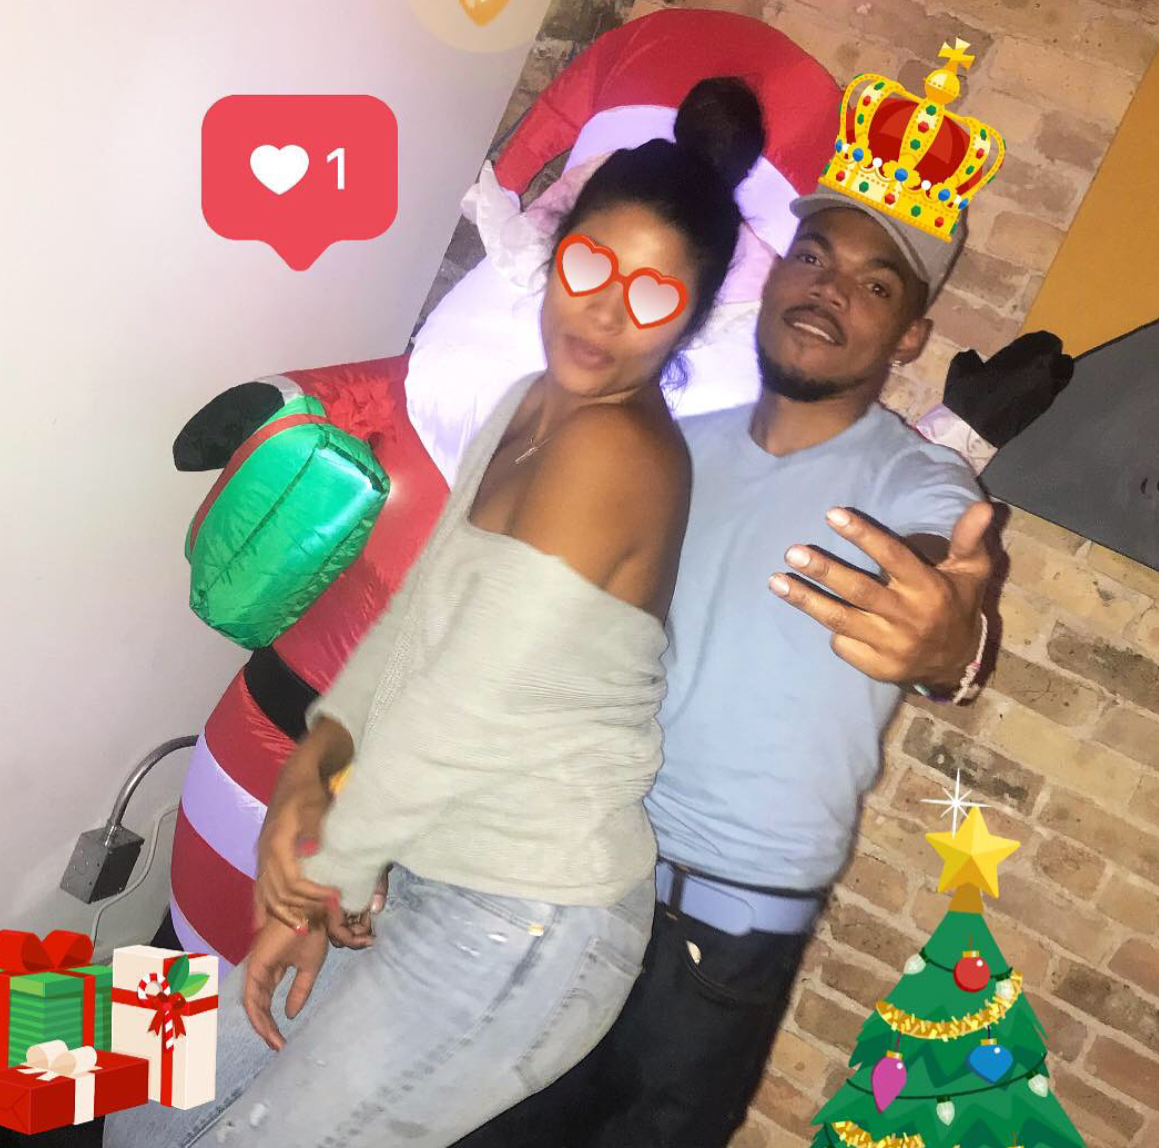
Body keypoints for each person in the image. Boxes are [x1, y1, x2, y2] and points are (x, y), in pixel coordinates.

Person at [103, 77, 767, 1148]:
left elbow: (467, 702)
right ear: (555, 250)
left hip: (522, 919)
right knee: (148, 1105)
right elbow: (417, 617)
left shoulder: (620, 453)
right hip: (416, 861)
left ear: (690, 315)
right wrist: (317, 755)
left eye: (651, 295)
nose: (603, 311)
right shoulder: (529, 406)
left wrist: (327, 871)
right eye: (589, 265)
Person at [441, 186, 996, 1146]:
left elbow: (943, 581)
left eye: (875, 285)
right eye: (814, 257)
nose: (830, 290)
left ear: (910, 337)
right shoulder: (667, 449)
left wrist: (949, 644)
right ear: (773, 276)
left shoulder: (918, 479)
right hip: (568, 879)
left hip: (721, 944)